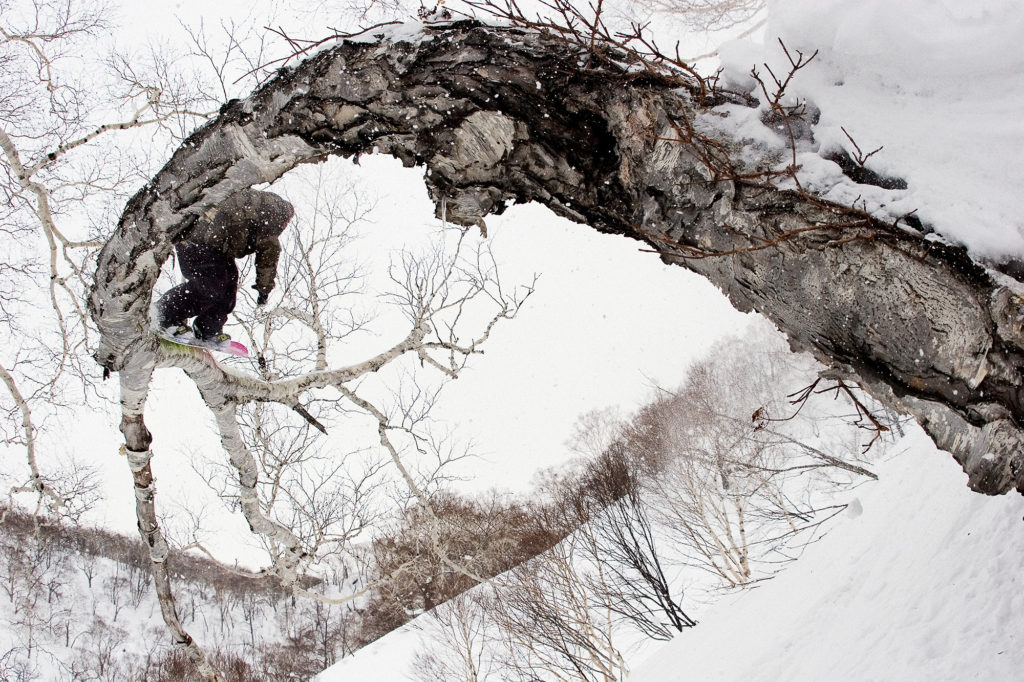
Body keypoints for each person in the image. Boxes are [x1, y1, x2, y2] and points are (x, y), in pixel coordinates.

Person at [157, 189, 294, 342]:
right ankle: (165, 315)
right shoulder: (272, 218)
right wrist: (264, 290)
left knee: (228, 285)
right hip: (200, 242)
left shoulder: (258, 203)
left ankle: (209, 328)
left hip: (200, 240)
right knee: (211, 286)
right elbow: (269, 255)